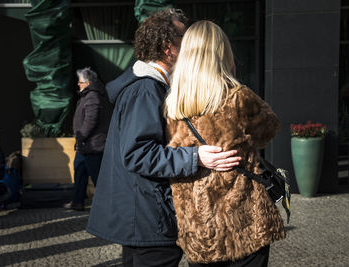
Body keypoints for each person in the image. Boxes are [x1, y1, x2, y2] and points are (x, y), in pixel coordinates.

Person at [87, 9, 241, 267]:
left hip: (143, 214)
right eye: (186, 39)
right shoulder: (146, 90)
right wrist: (197, 157)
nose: (192, 45)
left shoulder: (146, 86)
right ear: (169, 48)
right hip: (148, 218)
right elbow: (138, 154)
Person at [164, 21, 286, 267]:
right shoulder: (238, 97)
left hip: (199, 226)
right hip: (246, 222)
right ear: (222, 54)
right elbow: (270, 128)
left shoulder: (174, 104)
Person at [66, 67, 109, 211]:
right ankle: (77, 202)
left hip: (92, 145)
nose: (78, 84)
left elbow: (91, 120)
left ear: (88, 82)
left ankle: (106, 206)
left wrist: (81, 136)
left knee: (97, 177)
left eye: (80, 82)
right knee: (80, 172)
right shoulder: (90, 95)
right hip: (86, 145)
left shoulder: (92, 96)